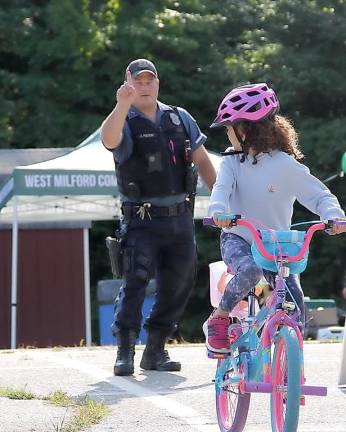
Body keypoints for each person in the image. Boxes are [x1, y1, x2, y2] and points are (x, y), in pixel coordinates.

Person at [204, 83, 346, 354]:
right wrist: (219, 213)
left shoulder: (285, 165)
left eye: (228, 127)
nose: (227, 133)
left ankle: (291, 369)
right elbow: (220, 192)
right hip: (239, 237)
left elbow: (320, 196)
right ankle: (220, 318)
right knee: (250, 271)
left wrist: (333, 216)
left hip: (275, 245)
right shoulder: (232, 163)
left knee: (296, 301)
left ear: (244, 129)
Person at [101, 58, 216, 375]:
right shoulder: (124, 118)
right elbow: (109, 140)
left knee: (178, 284)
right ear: (127, 83)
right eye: (138, 80)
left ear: (158, 83)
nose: (144, 85)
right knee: (135, 282)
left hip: (179, 219)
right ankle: (125, 351)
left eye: (149, 80)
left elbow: (203, 162)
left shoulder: (179, 118)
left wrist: (222, 200)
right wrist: (120, 105)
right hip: (141, 219)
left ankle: (155, 351)